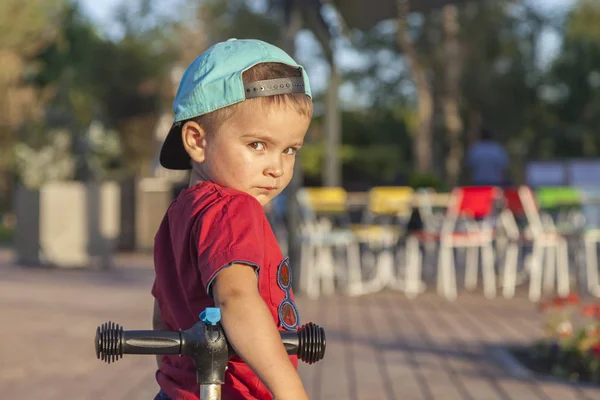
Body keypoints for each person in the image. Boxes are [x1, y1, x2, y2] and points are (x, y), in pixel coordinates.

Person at [151, 38, 313, 400]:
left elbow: (162, 313)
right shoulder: (232, 209)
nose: (276, 167)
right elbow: (236, 298)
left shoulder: (179, 213)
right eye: (257, 144)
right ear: (196, 140)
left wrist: (175, 377)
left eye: (290, 150)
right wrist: (291, 391)